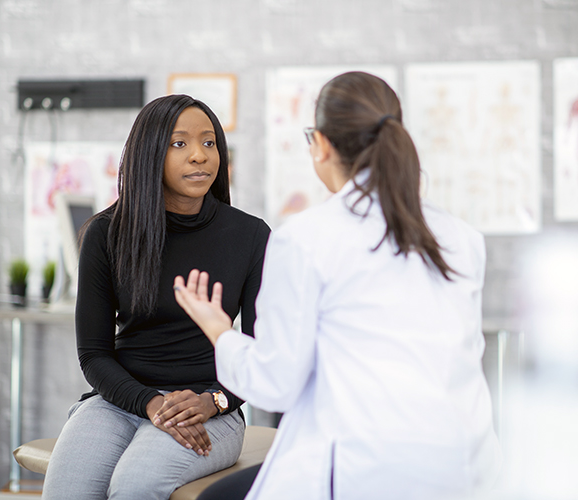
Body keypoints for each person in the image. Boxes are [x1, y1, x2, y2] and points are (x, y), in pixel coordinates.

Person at [170, 72, 502, 500]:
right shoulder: (462, 238)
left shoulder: (306, 238)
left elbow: (276, 385)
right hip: (467, 467)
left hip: (364, 472)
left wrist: (219, 330)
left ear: (322, 145)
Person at [42, 94, 271, 500]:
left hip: (211, 408)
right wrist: (150, 403)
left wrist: (212, 401)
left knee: (134, 486)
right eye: (179, 143)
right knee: (68, 491)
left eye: (209, 142)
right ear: (149, 154)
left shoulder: (251, 236)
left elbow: (261, 352)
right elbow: (93, 353)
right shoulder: (105, 233)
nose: (199, 155)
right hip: (120, 400)